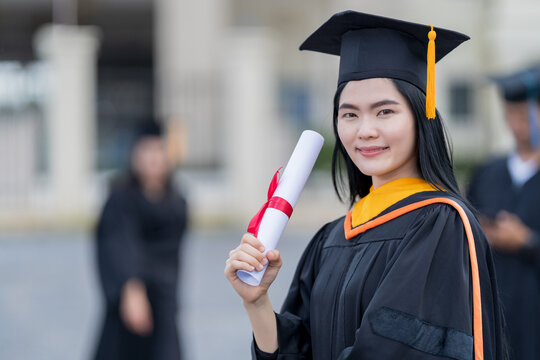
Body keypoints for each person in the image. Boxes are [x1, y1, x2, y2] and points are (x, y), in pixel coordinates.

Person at [224, 10, 507, 360]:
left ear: (421, 115)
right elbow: (299, 351)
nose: (365, 130)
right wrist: (257, 302)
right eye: (350, 114)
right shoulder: (331, 238)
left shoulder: (439, 225)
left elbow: (393, 351)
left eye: (385, 111)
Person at [93, 120, 188, 360]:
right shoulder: (120, 198)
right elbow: (118, 245)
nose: (154, 158)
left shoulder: (177, 202)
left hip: (164, 300)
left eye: (159, 150)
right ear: (134, 155)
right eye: (146, 150)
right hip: (131, 302)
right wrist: (131, 289)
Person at [467, 67, 540, 360]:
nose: (517, 124)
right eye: (511, 115)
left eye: (525, 115)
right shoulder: (488, 172)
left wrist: (528, 242)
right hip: (491, 319)